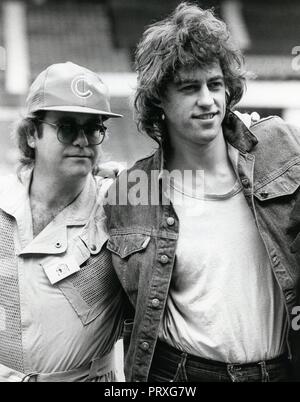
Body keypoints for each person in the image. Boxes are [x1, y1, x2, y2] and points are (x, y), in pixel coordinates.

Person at [104, 3, 300, 382]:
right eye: (189, 88)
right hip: (180, 374)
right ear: (160, 97)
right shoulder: (131, 189)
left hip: (280, 368)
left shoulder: (279, 148)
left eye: (214, 84)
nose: (208, 100)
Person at [0, 61, 124, 382]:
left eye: (94, 128)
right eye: (67, 127)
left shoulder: (121, 204)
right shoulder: (2, 199)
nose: (82, 140)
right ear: (31, 134)